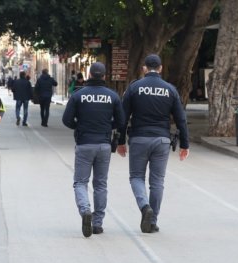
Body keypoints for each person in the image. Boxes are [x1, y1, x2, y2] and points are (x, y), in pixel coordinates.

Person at [116, 54, 189, 233]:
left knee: (136, 177)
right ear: (161, 68)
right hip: (162, 140)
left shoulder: (134, 88)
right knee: (157, 181)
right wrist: (185, 144)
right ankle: (152, 220)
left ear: (144, 68)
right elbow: (181, 119)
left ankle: (144, 206)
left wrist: (120, 141)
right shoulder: (170, 89)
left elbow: (123, 118)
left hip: (139, 138)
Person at [62, 62, 125, 237]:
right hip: (104, 144)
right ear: (104, 76)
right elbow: (121, 121)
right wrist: (106, 127)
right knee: (101, 184)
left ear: (89, 75)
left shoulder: (78, 95)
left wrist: (80, 127)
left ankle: (85, 211)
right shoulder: (112, 96)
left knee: (80, 182)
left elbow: (66, 120)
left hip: (84, 143)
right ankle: (97, 223)